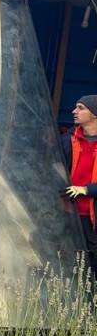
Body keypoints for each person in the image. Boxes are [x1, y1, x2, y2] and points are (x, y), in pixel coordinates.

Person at [62, 95, 97, 274]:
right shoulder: (67, 140)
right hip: (68, 212)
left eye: (81, 107)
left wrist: (85, 189)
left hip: (92, 216)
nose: (74, 111)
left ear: (95, 114)